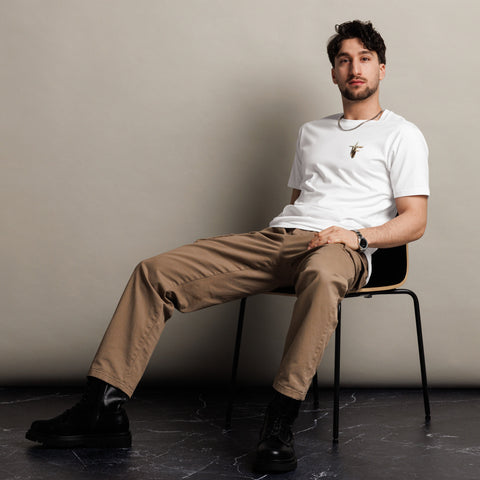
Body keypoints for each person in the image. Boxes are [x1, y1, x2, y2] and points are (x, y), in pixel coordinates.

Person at [26, 20, 429, 474]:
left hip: (343, 249)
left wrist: (356, 237)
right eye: (344, 60)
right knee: (154, 273)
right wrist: (286, 237)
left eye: (365, 59)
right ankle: (102, 408)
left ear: (381, 69)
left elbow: (415, 220)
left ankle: (279, 422)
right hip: (282, 239)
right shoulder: (310, 133)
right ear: (333, 72)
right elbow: (300, 202)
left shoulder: (402, 134)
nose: (355, 68)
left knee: (320, 275)